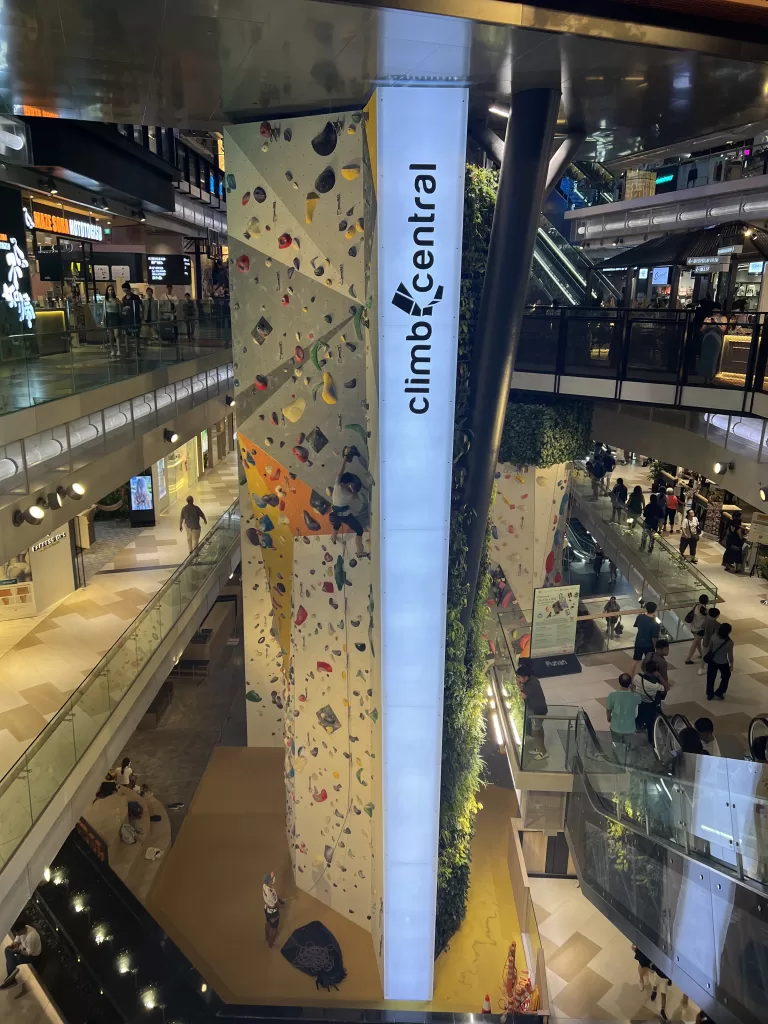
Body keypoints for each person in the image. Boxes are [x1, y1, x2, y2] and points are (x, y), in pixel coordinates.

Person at [330, 448, 367, 557]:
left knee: (336, 525)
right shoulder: (348, 494)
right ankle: (359, 552)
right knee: (359, 531)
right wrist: (353, 488)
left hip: (334, 513)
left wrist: (345, 457)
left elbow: (341, 471)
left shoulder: (337, 484)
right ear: (349, 483)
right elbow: (356, 497)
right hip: (345, 515)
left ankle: (333, 538)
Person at [517, 659, 549, 760]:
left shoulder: (531, 684)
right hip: (538, 709)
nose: (518, 679)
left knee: (536, 732)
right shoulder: (532, 679)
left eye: (519, 677)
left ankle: (543, 752)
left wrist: (518, 685)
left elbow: (522, 696)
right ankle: (538, 749)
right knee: (539, 729)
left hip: (537, 711)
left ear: (525, 677)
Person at [606, 673, 642, 758]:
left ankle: (617, 760)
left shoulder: (612, 695)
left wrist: (608, 717)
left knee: (616, 746)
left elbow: (608, 708)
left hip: (616, 727)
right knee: (627, 747)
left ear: (619, 682)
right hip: (629, 728)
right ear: (630, 683)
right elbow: (638, 701)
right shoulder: (636, 696)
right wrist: (633, 691)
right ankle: (626, 761)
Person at [1, 921, 41, 990]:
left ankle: (11, 979)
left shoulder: (31, 937)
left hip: (33, 956)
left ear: (22, 930)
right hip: (24, 947)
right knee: (7, 949)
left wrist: (18, 951)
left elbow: (29, 953)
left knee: (13, 960)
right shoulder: (25, 929)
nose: (17, 934)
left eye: (17, 932)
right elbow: (18, 939)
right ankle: (11, 975)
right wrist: (13, 944)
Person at [630, 601, 660, 678]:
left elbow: (637, 626)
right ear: (655, 610)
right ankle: (648, 677)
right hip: (649, 645)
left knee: (635, 660)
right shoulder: (655, 623)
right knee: (649, 661)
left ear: (646, 608)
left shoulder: (640, 616)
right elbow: (654, 638)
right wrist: (655, 648)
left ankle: (631, 676)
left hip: (639, 642)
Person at [706, 622, 734, 701]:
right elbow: (730, 655)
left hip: (713, 660)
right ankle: (720, 692)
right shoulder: (730, 642)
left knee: (710, 677)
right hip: (723, 662)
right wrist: (731, 664)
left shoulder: (714, 637)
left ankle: (709, 694)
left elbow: (710, 648)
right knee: (726, 676)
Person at [685, 593, 710, 664]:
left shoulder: (695, 606)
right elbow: (707, 620)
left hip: (693, 628)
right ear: (707, 601)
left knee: (697, 642)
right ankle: (688, 659)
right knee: (695, 644)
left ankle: (702, 655)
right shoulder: (705, 610)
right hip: (699, 630)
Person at [263, 870, 285, 948]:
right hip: (273, 913)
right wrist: (283, 906)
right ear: (269, 881)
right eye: (271, 878)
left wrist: (279, 898)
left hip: (266, 909)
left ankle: (266, 939)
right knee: (274, 929)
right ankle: (271, 944)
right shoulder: (270, 893)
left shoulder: (265, 885)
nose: (273, 878)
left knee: (268, 923)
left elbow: (274, 894)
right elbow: (276, 905)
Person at [697, 607, 721, 676]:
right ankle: (711, 669)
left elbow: (702, 629)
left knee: (704, 655)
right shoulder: (718, 625)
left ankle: (701, 669)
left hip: (706, 641)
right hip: (714, 643)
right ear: (717, 615)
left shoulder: (705, 621)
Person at [121, 282, 142, 351]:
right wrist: (124, 309)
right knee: (127, 335)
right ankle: (127, 350)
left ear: (129, 289)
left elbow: (140, 307)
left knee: (136, 335)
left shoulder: (135, 297)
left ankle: (137, 350)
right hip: (127, 319)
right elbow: (122, 309)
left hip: (135, 318)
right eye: (124, 291)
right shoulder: (124, 298)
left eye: (126, 290)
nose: (125, 292)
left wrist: (141, 316)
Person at [104, 284, 122, 357]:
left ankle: (118, 350)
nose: (110, 291)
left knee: (117, 334)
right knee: (110, 335)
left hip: (115, 316)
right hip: (109, 316)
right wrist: (103, 320)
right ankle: (112, 350)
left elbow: (119, 309)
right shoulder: (105, 300)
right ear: (107, 291)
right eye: (109, 290)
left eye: (111, 290)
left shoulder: (116, 300)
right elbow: (104, 311)